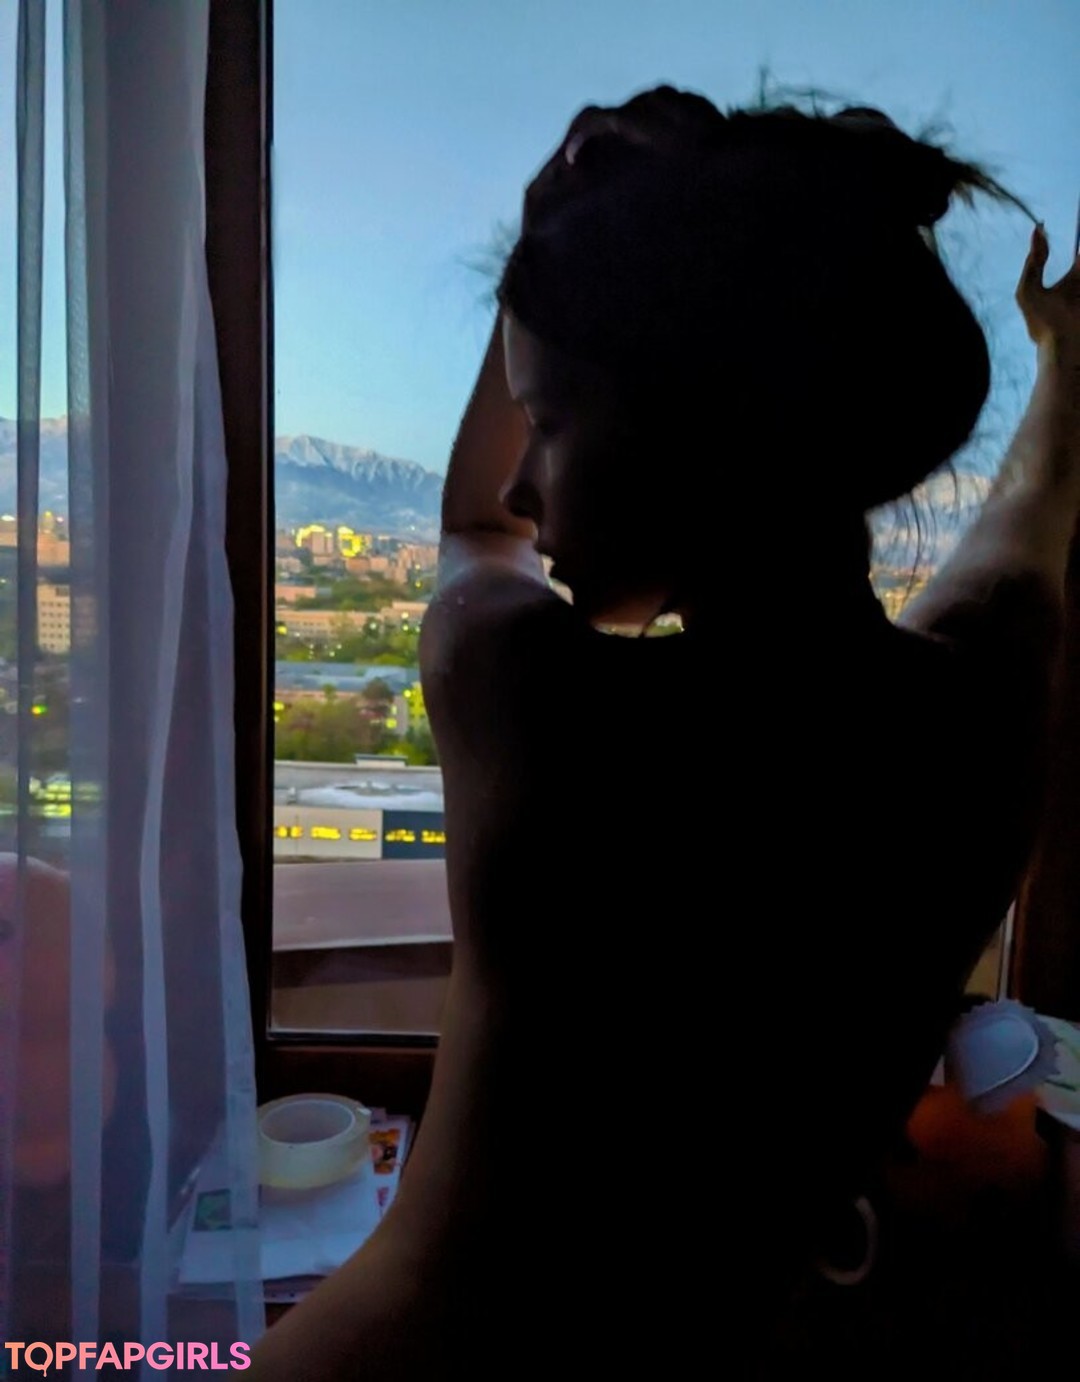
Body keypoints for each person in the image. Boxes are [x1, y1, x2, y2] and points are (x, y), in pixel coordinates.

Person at [248, 86, 1080, 1377]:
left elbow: (476, 531)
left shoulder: (540, 713)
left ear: (705, 440)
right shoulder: (979, 733)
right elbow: (1020, 541)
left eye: (551, 422)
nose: (525, 478)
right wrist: (1067, 366)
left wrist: (543, 243)